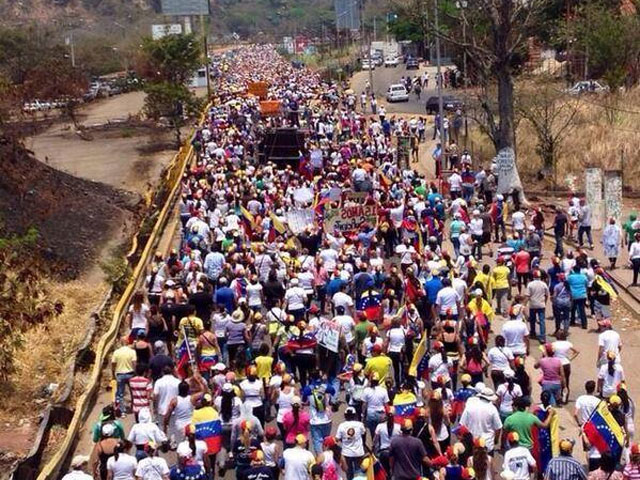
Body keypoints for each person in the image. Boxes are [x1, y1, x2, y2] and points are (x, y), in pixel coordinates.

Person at [459, 387, 502, 454]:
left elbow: (461, 425)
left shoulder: (470, 406)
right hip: (487, 443)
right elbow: (498, 428)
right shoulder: (493, 409)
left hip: (471, 443)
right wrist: (495, 440)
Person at [335, 407, 366, 480]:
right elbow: (364, 433)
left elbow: (337, 438)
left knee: (349, 472)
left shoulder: (342, 425)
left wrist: (344, 440)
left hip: (347, 453)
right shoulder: (359, 424)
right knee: (358, 472)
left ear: (345, 415)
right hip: (358, 452)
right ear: (354, 415)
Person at [111, 336, 137, 414]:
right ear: (128, 342)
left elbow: (113, 364)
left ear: (120, 342)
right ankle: (133, 408)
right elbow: (134, 363)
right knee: (133, 392)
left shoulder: (116, 352)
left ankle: (122, 411)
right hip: (130, 373)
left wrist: (113, 374)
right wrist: (135, 373)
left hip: (120, 374)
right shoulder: (132, 352)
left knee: (120, 393)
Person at [526, 270, 549, 343]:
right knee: (542, 321)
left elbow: (527, 295)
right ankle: (542, 336)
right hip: (541, 304)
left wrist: (524, 304)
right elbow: (547, 295)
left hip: (533, 304)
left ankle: (533, 332)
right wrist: (545, 302)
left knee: (532, 320)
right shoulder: (544, 284)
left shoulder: (530, 284)